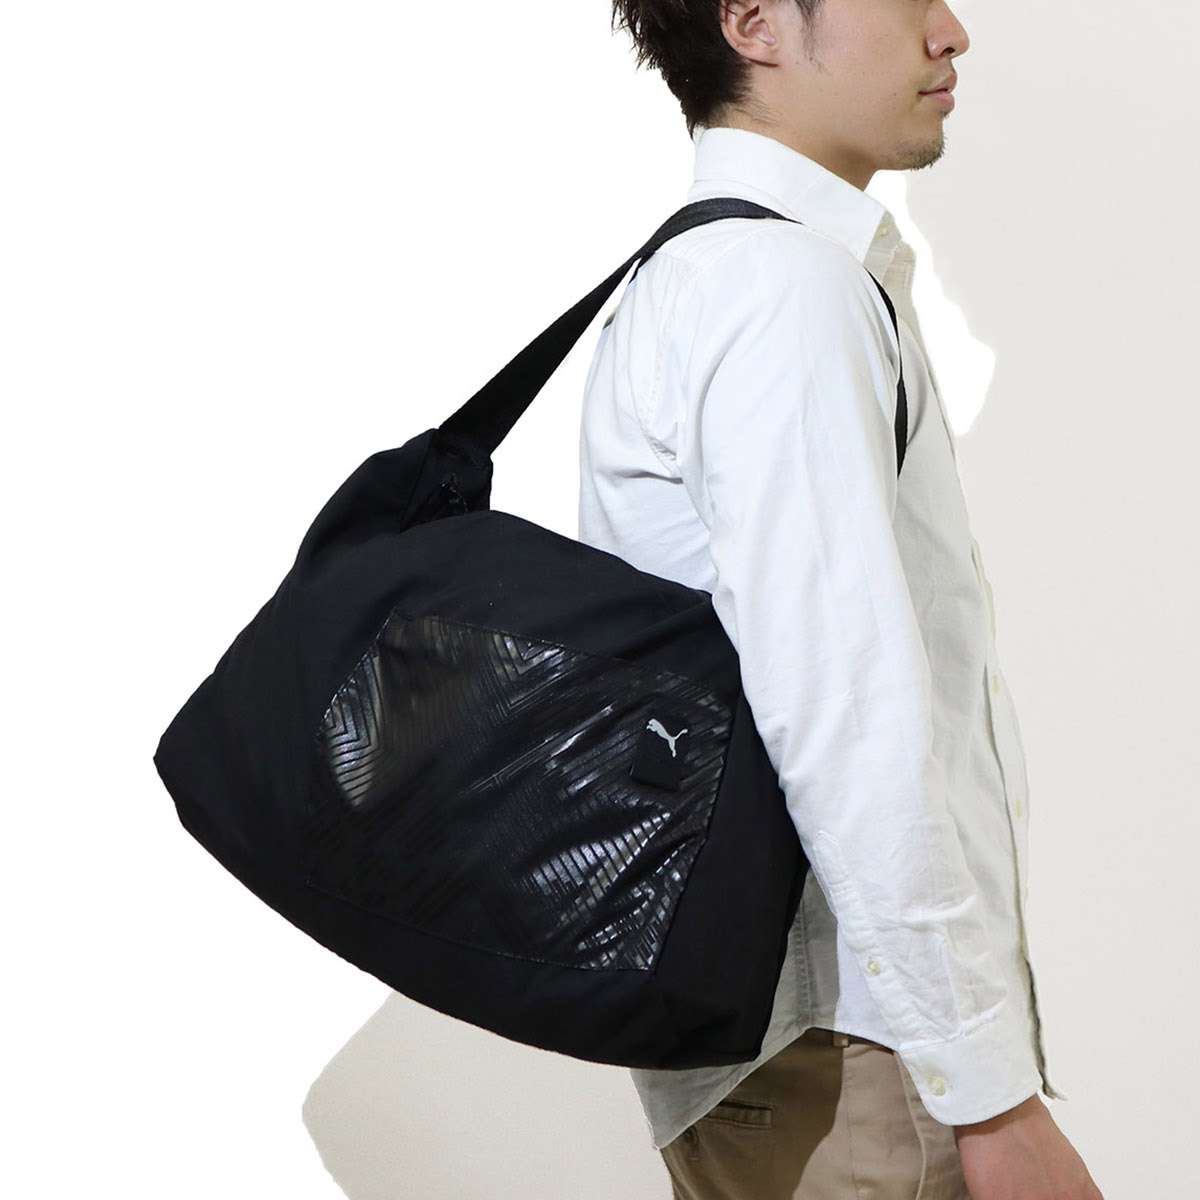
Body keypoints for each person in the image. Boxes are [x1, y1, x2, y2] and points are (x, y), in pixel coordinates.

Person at [577, 2, 1105, 1198]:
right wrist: (994, 1101)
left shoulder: (708, 274)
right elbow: (845, 713)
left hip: (815, 1045)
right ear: (755, 22)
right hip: (857, 1059)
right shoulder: (781, 289)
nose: (951, 31)